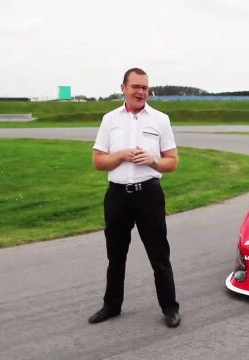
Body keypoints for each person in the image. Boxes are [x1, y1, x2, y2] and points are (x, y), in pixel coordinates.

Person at [88, 67, 181, 328]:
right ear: (123, 88)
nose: (141, 92)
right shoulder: (110, 120)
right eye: (136, 87)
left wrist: (153, 161)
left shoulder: (160, 119)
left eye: (145, 87)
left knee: (159, 255)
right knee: (115, 256)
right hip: (118, 196)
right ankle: (111, 305)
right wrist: (121, 155)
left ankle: (170, 308)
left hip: (149, 195)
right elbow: (98, 161)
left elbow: (172, 162)